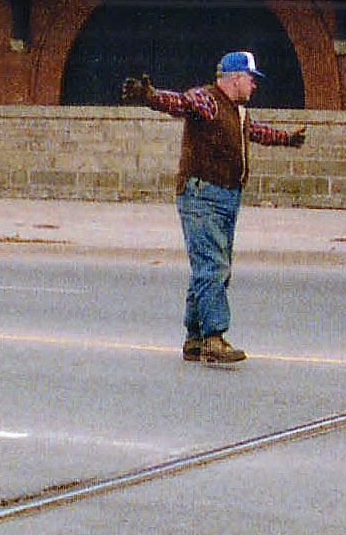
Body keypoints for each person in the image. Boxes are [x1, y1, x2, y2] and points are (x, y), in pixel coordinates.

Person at [121, 51, 305, 365]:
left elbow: (257, 132)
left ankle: (194, 338)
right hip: (202, 195)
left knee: (208, 268)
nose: (254, 85)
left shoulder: (238, 112)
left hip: (226, 196)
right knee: (213, 267)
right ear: (235, 78)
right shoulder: (207, 100)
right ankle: (214, 338)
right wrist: (150, 97)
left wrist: (287, 139)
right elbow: (180, 102)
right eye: (251, 79)